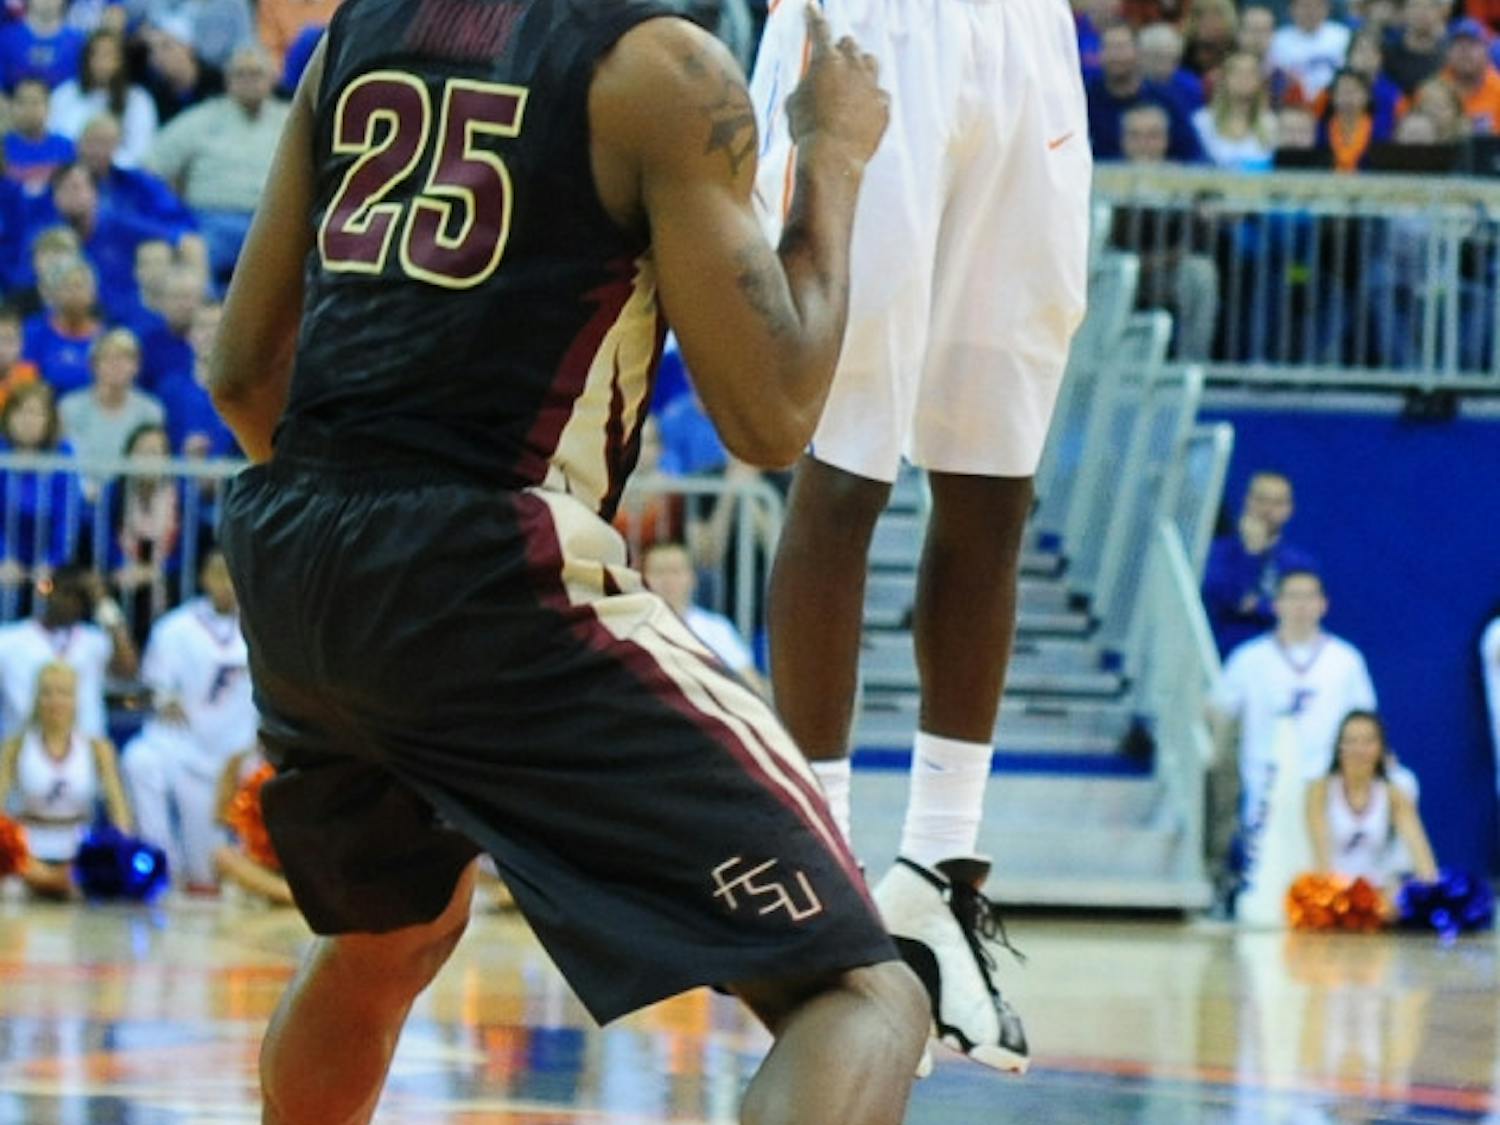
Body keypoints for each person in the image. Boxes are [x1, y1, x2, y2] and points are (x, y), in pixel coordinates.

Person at [209, 4, 927, 1124]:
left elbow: (243, 374)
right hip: (489, 561)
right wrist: (832, 158)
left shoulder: (356, 33)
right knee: (858, 989)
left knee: (386, 938)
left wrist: (367, 558)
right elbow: (774, 416)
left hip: (296, 551)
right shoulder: (663, 65)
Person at [752, 0, 1092, 1072]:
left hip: (1026, 37)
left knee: (998, 479)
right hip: (873, 30)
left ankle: (941, 874)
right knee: (848, 458)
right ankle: (824, 862)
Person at [1208, 570, 1377, 906]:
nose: (1301, 606)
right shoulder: (1249, 658)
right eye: (1293, 597)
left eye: (1309, 597)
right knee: (1268, 862)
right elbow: (1218, 709)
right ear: (1276, 604)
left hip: (1327, 778)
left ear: (1323, 605)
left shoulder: (1345, 659)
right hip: (1266, 777)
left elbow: (1366, 718)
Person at [122, 549, 255, 891]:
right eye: (217, 573)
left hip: (234, 757)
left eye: (232, 573)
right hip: (183, 748)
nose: (226, 582)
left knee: (206, 873)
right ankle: (160, 863)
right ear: (203, 579)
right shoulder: (175, 627)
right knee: (140, 760)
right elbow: (155, 686)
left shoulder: (263, 626)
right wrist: (163, 698)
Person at [145, 45, 288, 288]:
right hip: (213, 220)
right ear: (227, 80)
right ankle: (207, 318)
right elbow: (151, 167)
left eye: (256, 74)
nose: (249, 81)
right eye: (241, 74)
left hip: (275, 223)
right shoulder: (202, 118)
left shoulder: (290, 118)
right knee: (195, 255)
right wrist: (175, 212)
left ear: (272, 78)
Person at [0, 661, 132, 898]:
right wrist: (22, 861)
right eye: (47, 693)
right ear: (36, 699)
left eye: (64, 693)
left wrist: (112, 851)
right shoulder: (15, 747)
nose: (55, 701)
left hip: (79, 852)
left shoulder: (98, 749)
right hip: (27, 852)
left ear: (76, 700)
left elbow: (119, 812)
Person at [1112, 103, 1221, 360]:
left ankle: (1191, 366)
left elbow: (1202, 232)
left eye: (1152, 135)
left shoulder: (1183, 180)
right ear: (1124, 141)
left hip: (1168, 270)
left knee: (1201, 274)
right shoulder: (1107, 178)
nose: (1144, 144)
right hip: (1115, 270)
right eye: (1136, 136)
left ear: (1165, 140)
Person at [1305, 711, 1438, 900]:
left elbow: (1423, 858)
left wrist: (1435, 897)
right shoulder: (1320, 791)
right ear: (1338, 747)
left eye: (1368, 742)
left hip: (1379, 896)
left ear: (1381, 749)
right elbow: (1320, 861)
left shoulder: (1394, 793)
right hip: (1332, 895)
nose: (1359, 750)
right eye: (1351, 741)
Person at [0, 564, 138, 739]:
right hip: (24, 753)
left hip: (86, 755)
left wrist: (102, 600)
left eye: (80, 597)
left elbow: (128, 670)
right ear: (49, 590)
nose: (72, 602)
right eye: (66, 593)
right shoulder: (9, 639)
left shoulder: (95, 641)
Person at [1202, 470, 1319, 658]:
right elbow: (1218, 595)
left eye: (1277, 503)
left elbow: (1300, 611)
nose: (1267, 509)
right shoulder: (1219, 551)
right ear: (1248, 500)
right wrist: (1250, 554)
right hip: (1220, 653)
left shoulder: (1299, 563)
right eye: (1261, 500)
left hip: (1277, 660)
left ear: (1289, 509)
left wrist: (1257, 606)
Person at [641, 540, 768, 697]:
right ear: (642, 579)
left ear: (692, 578)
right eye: (659, 572)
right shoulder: (634, 628)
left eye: (675, 571)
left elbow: (749, 682)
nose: (668, 580)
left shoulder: (717, 628)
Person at [0, 382, 81, 599]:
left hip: (50, 563)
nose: (28, 421)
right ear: (8, 416)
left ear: (49, 420)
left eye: (37, 413)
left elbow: (68, 517)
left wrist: (51, 563)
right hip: (4, 561)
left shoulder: (64, 454)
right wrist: (3, 558)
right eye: (22, 412)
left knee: (53, 592)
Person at [46, 30, 160, 168]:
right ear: (86, 59)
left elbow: (140, 152)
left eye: (108, 55)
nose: (101, 62)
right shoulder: (65, 94)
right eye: (95, 55)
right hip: (69, 172)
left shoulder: (138, 100)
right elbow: (51, 141)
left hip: (117, 177)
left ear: (121, 61)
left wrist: (101, 160)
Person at [58, 328, 166, 472]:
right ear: (93, 365)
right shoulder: (69, 408)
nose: (116, 365)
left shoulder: (151, 411)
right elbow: (66, 459)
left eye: (125, 359)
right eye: (108, 358)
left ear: (136, 366)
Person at [1193, 52, 1279, 171]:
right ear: (1224, 79)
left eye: (1251, 73)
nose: (1244, 78)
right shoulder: (1203, 121)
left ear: (1259, 82)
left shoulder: (1270, 123)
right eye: (1237, 72)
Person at [2, 78, 77, 198]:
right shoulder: (2, 147)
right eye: (22, 102)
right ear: (11, 107)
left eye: (35, 102)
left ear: (49, 107)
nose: (29, 109)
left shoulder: (67, 147)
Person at [1267, 0, 1351, 101]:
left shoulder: (1344, 36)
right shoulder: (1277, 40)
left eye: (1317, 6)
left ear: (1327, 8)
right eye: (1305, 6)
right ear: (1291, 9)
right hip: (1292, 105)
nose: (1311, 11)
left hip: (1335, 104)